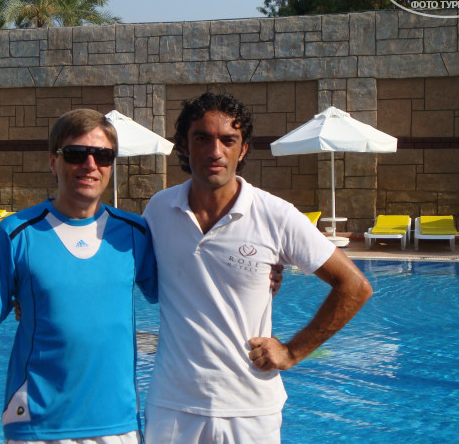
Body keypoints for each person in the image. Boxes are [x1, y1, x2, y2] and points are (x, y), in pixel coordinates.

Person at [142, 92, 374, 443]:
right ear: (185, 147)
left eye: (228, 140)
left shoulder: (275, 215)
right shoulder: (159, 209)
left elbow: (355, 286)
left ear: (243, 150)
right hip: (172, 404)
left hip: (249, 407)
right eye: (202, 138)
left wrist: (293, 351)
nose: (215, 151)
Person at [0, 109, 158, 444]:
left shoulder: (134, 233)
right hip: (38, 427)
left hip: (117, 424)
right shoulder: (17, 233)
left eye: (103, 156)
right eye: (76, 154)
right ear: (54, 162)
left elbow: (182, 292)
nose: (90, 165)